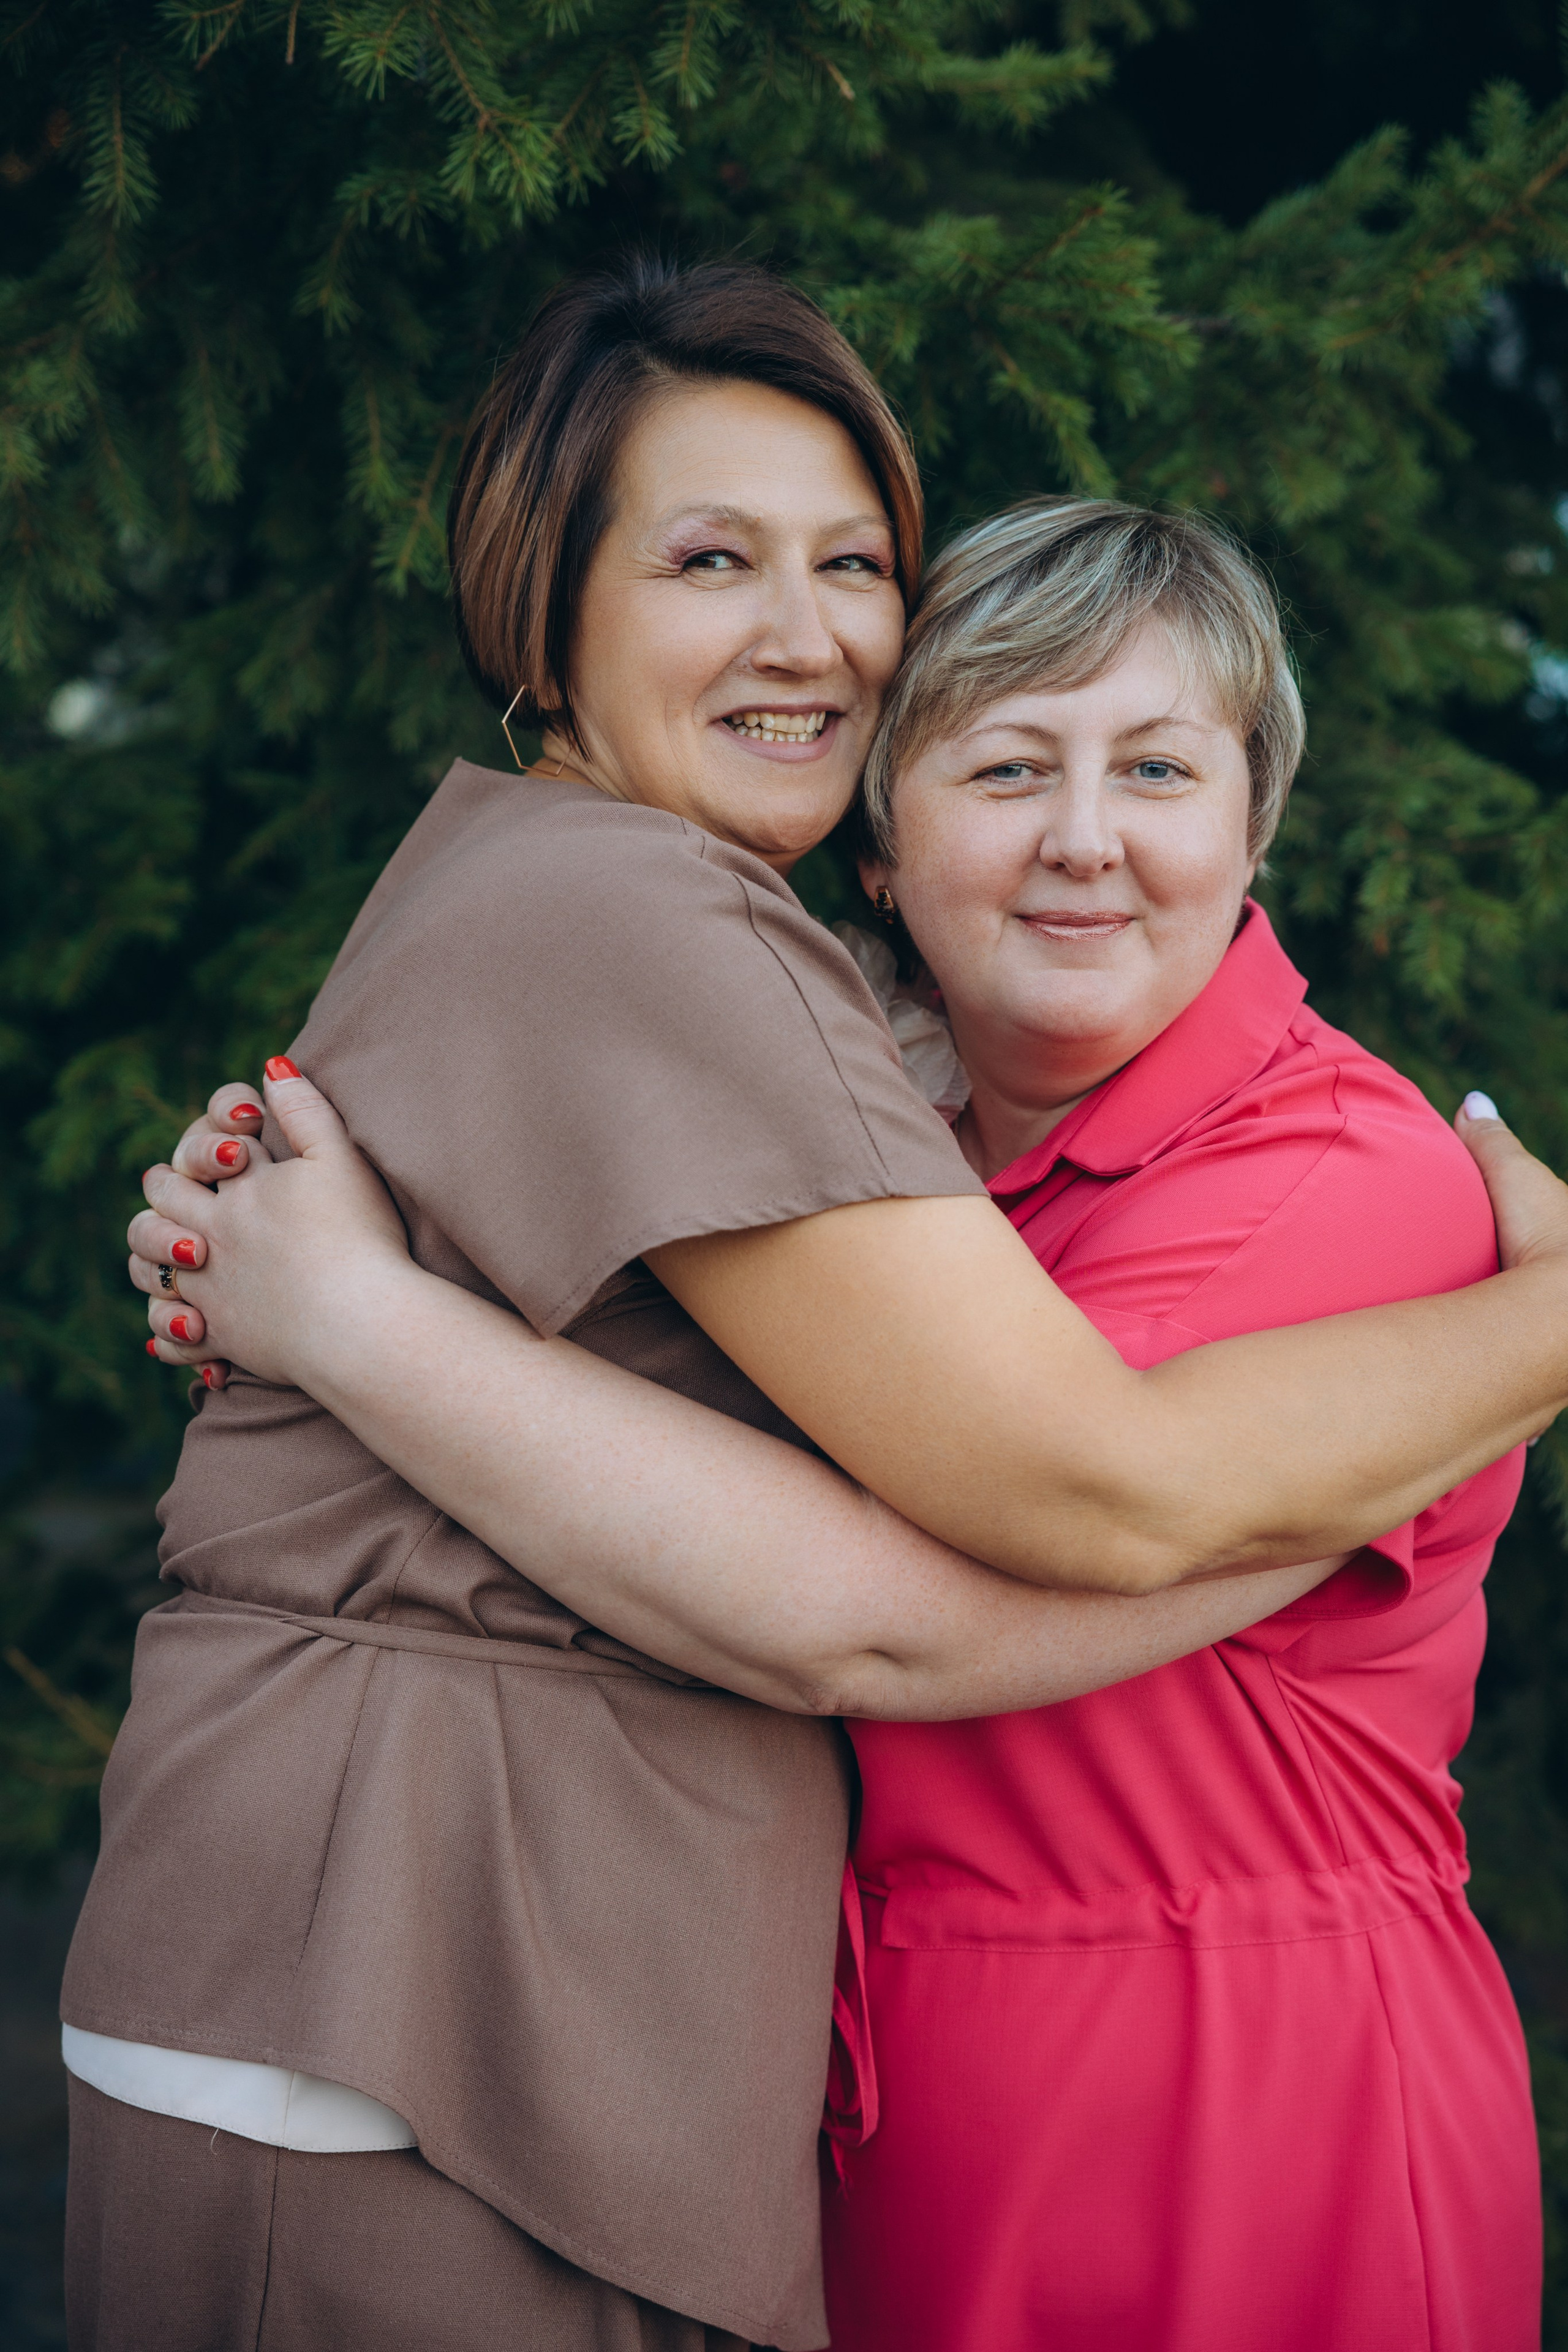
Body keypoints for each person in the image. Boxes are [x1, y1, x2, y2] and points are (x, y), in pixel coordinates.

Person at [92, 269, 1567, 2352]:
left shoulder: (1332, 1175)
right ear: (886, 835)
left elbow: (992, 1553)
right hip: (446, 1976)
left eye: (852, 565)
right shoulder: (689, 945)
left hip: (1212, 2087)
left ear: (1259, 835)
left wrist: (344, 1315)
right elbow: (1026, 1532)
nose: (1081, 842)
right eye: (710, 561)